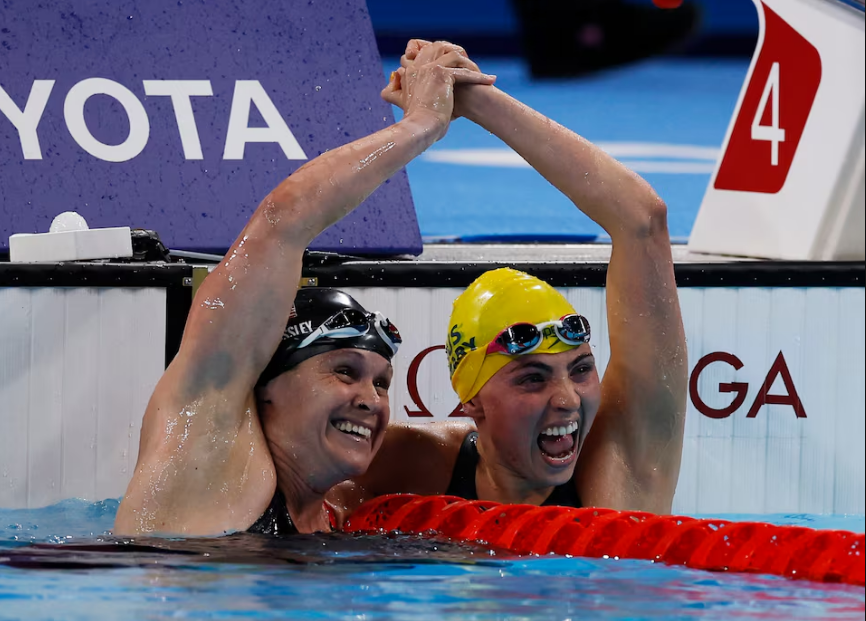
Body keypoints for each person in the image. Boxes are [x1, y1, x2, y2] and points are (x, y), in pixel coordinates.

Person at [113, 43, 497, 537]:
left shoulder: (334, 516)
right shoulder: (208, 460)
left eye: (380, 383)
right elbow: (284, 219)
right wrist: (421, 124)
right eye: (344, 372)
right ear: (265, 387)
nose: (371, 401)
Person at [331, 40, 687, 515]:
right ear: (472, 401)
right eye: (532, 378)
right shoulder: (402, 465)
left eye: (580, 369)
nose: (567, 400)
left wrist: (474, 97)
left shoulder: (620, 470)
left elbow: (643, 219)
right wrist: (422, 127)